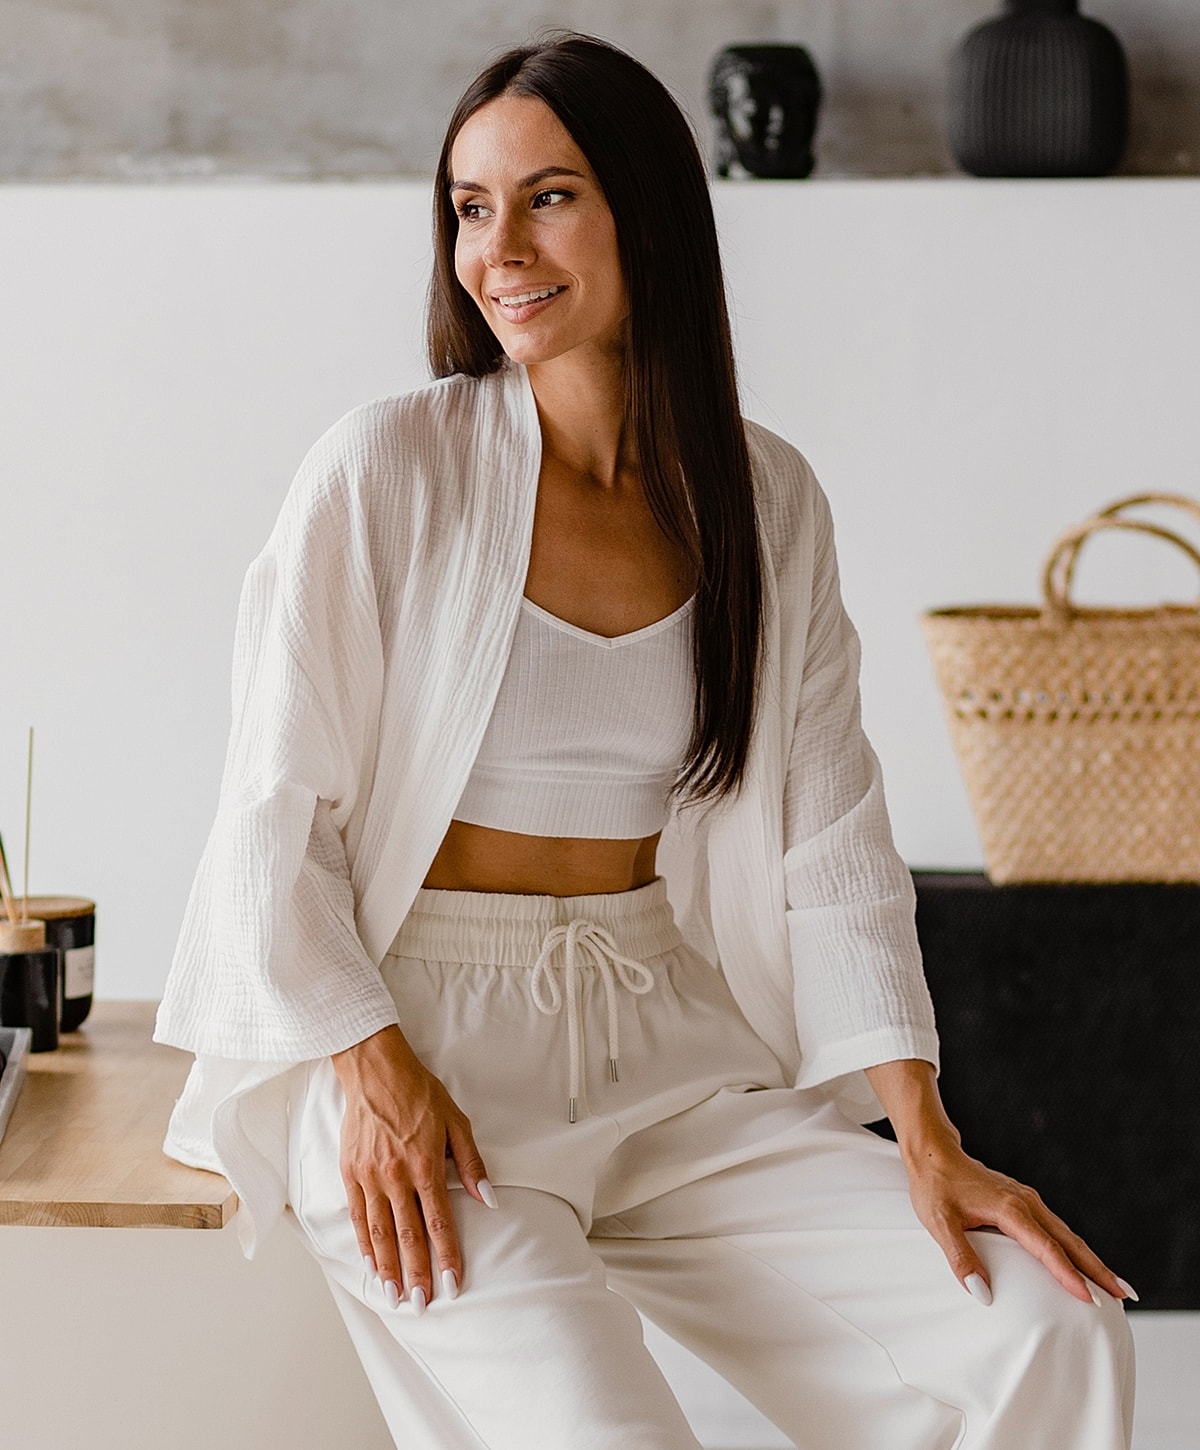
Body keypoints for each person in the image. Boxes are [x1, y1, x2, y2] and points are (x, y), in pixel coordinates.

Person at [156, 32, 1135, 1450]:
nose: (499, 249)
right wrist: (372, 1070)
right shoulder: (387, 468)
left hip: (664, 1040)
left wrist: (927, 1135)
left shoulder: (764, 499)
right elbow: (271, 818)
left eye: (548, 197)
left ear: (648, 213)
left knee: (1050, 1326)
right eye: (471, 207)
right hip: (422, 1046)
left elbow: (833, 842)